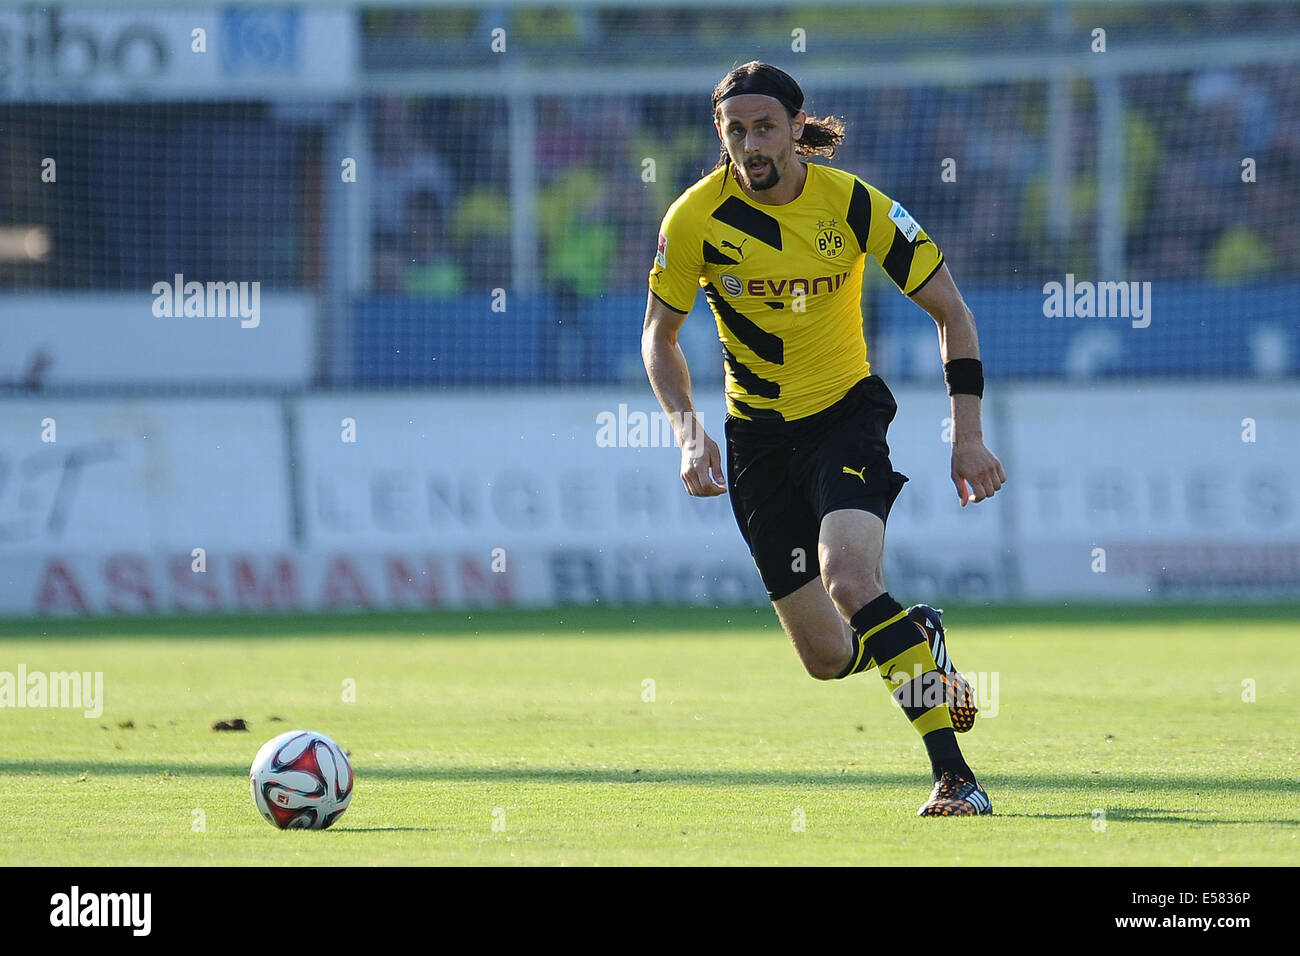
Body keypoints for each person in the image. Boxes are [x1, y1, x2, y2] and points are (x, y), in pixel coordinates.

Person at [641, 62, 1006, 816]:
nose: (750, 143)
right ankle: (916, 636)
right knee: (828, 656)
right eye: (735, 130)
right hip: (758, 445)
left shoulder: (856, 205)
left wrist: (967, 435)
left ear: (798, 129)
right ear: (721, 135)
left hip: (846, 418)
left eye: (765, 127)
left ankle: (955, 777)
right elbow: (659, 337)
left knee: (850, 579)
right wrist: (687, 431)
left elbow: (953, 313)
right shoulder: (693, 220)